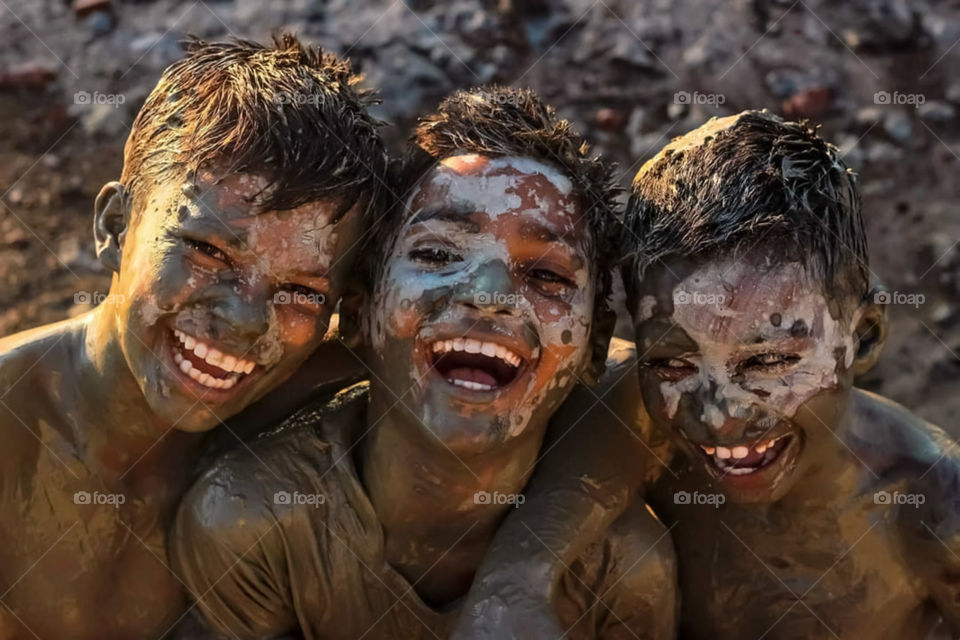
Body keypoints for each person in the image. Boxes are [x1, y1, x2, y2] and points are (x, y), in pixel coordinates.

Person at [171, 86, 677, 640]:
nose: (489, 295)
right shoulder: (251, 520)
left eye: (547, 276)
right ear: (360, 311)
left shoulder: (622, 571)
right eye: (437, 254)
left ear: (593, 348)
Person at [455, 110, 960, 639]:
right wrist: (510, 593)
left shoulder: (933, 509)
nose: (719, 417)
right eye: (673, 364)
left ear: (864, 335)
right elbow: (521, 569)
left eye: (767, 361)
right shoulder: (635, 422)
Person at [0, 33, 387, 639]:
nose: (244, 320)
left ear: (345, 306)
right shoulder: (10, 430)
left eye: (302, 293)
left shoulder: (327, 380)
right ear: (115, 226)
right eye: (207, 251)